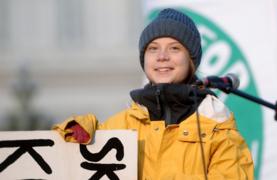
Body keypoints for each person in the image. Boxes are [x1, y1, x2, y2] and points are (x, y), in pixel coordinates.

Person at [53, 8, 254, 179]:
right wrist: (78, 129)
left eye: (174, 48)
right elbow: (58, 152)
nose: (162, 56)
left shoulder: (219, 130)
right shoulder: (122, 126)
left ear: (191, 59)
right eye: (153, 48)